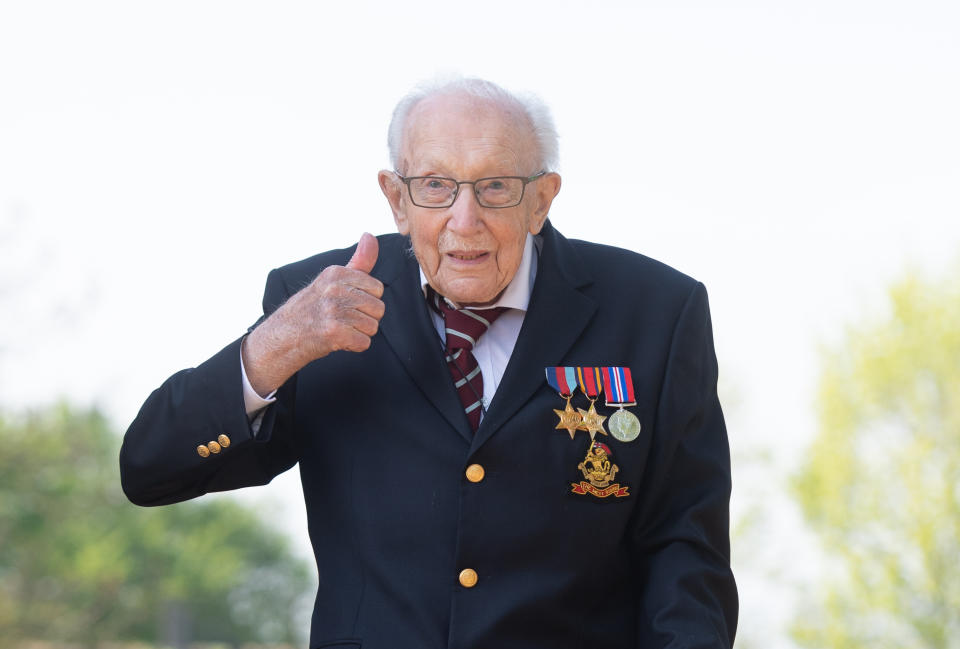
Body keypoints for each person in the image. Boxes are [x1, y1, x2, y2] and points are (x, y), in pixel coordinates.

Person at [120, 77, 738, 649]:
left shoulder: (656, 312)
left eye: (495, 187)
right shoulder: (317, 301)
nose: (463, 221)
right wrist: (275, 346)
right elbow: (150, 469)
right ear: (396, 198)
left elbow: (685, 548)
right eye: (435, 186)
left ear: (541, 199)